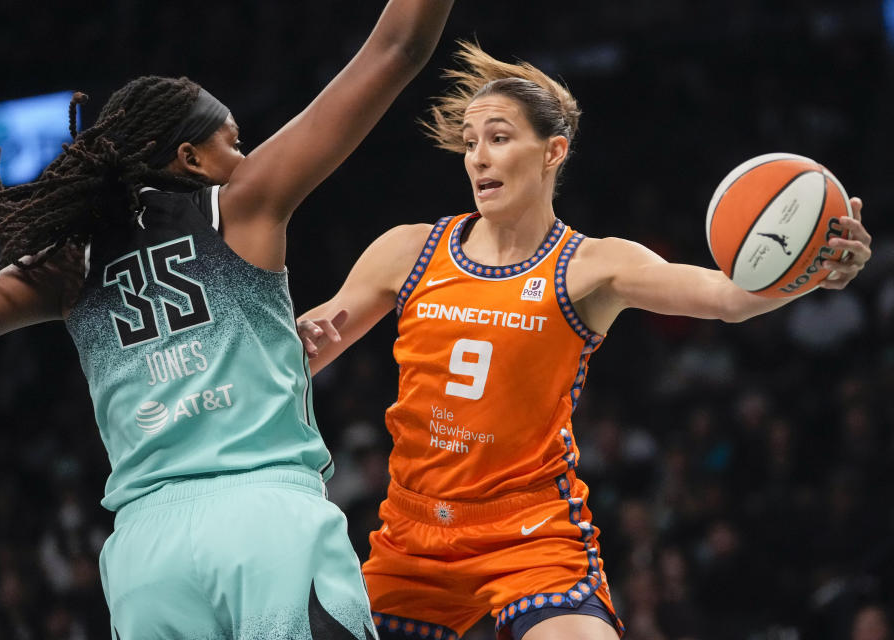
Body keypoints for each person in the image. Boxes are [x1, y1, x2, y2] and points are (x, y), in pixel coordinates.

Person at [297, 41, 873, 640]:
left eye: (497, 138)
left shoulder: (592, 266)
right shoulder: (410, 249)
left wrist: (813, 271)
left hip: (531, 535)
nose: (477, 159)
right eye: (470, 142)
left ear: (553, 152)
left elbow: (727, 298)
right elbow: (303, 350)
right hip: (412, 538)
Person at [0, 2, 454, 638]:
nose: (247, 156)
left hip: (145, 560)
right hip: (266, 523)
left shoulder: (67, 267)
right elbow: (396, 49)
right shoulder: (240, 204)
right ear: (191, 158)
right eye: (233, 142)